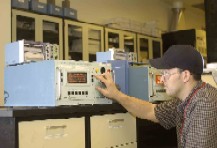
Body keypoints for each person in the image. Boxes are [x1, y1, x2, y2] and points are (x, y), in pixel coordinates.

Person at [95, 45, 217, 148]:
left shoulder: (205, 102)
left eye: (166, 73)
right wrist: (116, 95)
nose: (162, 79)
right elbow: (150, 111)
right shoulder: (184, 100)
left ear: (185, 75)